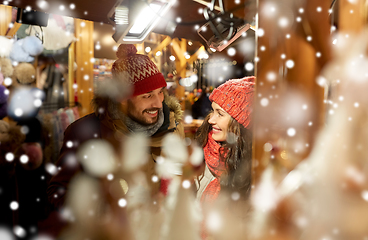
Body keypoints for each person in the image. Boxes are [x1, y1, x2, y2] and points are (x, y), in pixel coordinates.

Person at [44, 44, 184, 236]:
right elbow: (58, 191)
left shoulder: (173, 127)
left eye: (161, 92)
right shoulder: (85, 132)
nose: (158, 103)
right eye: (147, 96)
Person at [194, 76, 255, 203]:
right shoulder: (199, 152)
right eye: (213, 111)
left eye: (220, 114)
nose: (211, 120)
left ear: (240, 123)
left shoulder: (252, 169)